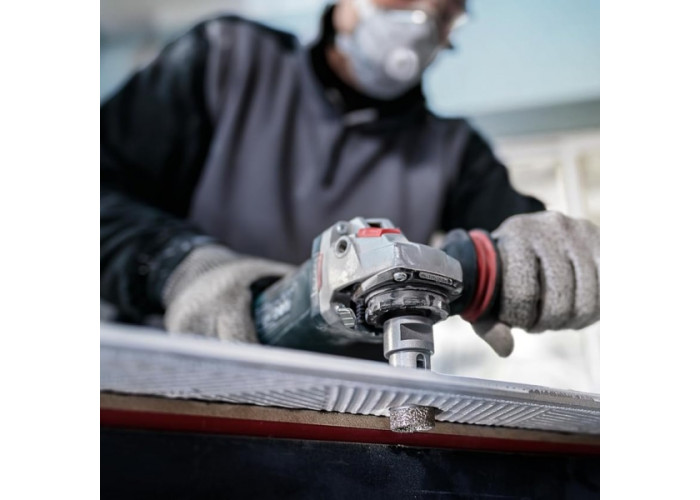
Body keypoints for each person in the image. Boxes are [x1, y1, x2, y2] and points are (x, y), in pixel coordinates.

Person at [101, 0, 599, 357]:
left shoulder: (454, 151)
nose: (423, 19)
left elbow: (522, 245)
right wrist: (179, 267)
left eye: (445, 12)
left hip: (344, 415)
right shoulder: (227, 57)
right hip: (164, 374)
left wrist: (547, 253)